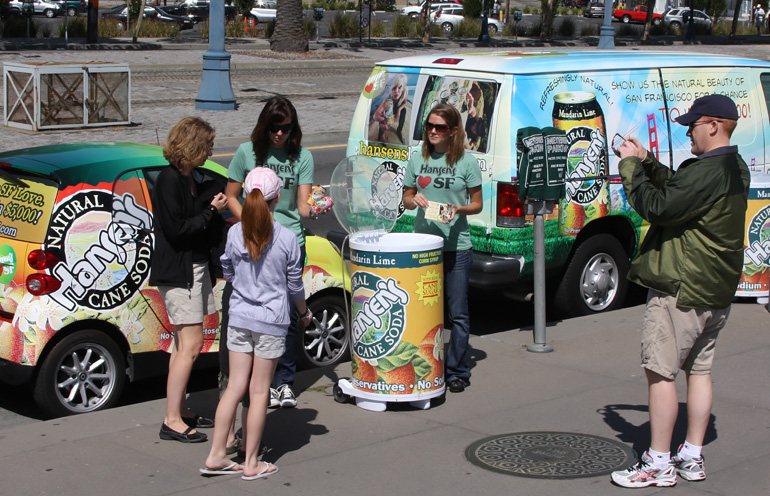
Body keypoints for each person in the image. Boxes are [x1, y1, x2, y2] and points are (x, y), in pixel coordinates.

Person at [610, 94, 750, 488]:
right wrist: (649, 161)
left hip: (683, 288)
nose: (687, 130)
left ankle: (658, 461)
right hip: (716, 289)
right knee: (700, 371)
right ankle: (691, 454)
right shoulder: (732, 166)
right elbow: (682, 190)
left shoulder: (708, 171)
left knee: (660, 372)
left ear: (713, 126)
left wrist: (631, 167)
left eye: (693, 124)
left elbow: (659, 207)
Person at [202, 168, 313, 479]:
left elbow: (229, 271)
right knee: (260, 390)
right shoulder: (287, 238)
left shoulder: (236, 232)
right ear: (276, 199)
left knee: (234, 387)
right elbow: (294, 287)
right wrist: (303, 313)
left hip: (239, 317)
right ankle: (251, 462)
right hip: (271, 321)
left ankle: (216, 454)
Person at [225, 96, 314, 414]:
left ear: (293, 129)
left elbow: (302, 207)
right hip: (253, 239)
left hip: (288, 241)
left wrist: (314, 208)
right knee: (252, 312)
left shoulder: (302, 156)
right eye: (274, 128)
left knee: (289, 314)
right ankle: (253, 382)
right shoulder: (247, 152)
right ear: (265, 126)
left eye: (286, 128)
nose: (279, 134)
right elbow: (232, 195)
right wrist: (249, 222)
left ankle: (284, 382)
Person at [151, 116, 228, 443]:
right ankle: (171, 420)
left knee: (183, 344)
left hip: (193, 268)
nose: (210, 151)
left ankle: (178, 409)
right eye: (207, 145)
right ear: (194, 145)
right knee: (192, 344)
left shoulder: (188, 177)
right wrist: (211, 211)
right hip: (180, 272)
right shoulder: (170, 180)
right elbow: (177, 229)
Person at [402, 103, 483, 394]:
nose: (434, 131)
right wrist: (416, 201)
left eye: (440, 127)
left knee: (457, 313)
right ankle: (425, 368)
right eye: (430, 126)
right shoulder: (418, 158)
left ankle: (456, 371)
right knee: (424, 311)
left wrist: (458, 209)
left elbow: (477, 204)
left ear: (454, 131)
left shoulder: (465, 162)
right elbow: (407, 197)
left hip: (457, 247)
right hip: (424, 247)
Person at [369, 73, 411, 145]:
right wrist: (379, 118)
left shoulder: (405, 93)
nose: (396, 91)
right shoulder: (388, 98)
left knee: (403, 111)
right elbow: (378, 112)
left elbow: (404, 103)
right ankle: (381, 134)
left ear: (403, 88)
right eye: (394, 88)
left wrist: (399, 110)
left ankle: (399, 130)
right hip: (390, 109)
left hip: (397, 108)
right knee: (384, 113)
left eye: (400, 87)